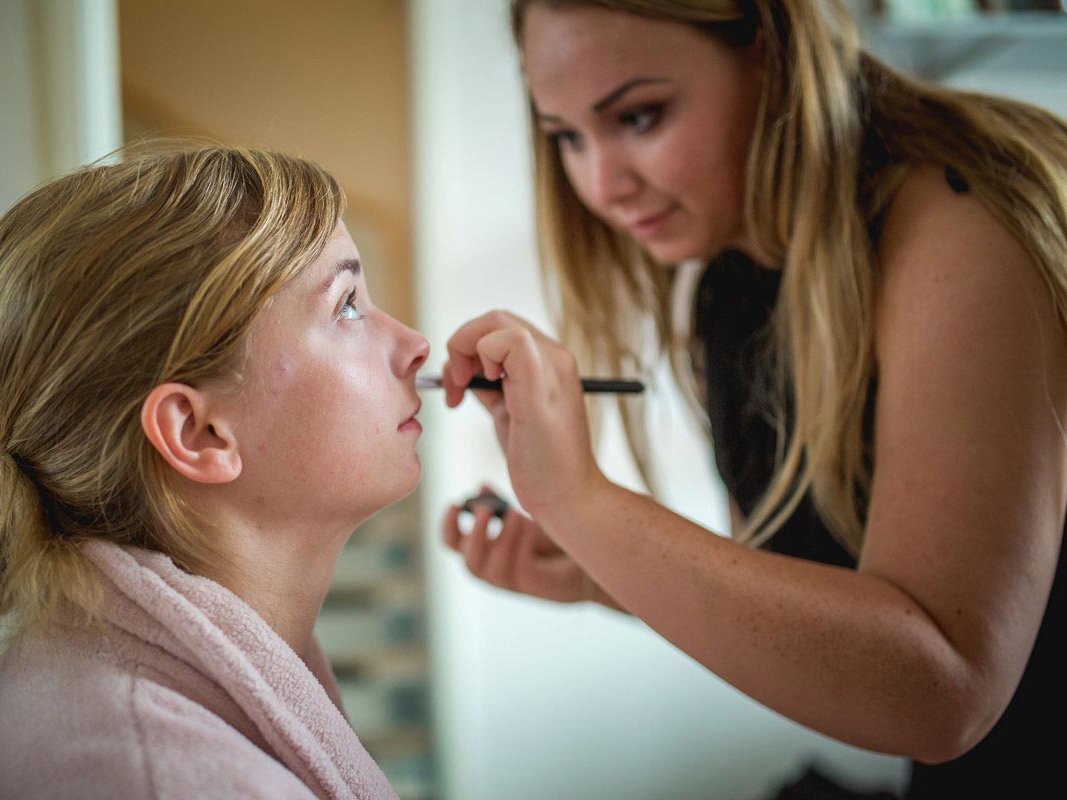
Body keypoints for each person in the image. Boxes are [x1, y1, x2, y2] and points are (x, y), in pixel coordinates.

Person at [439, 1, 1067, 797]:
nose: (601, 184)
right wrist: (601, 573)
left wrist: (583, 502)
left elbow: (942, 691)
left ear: (771, 55)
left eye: (638, 116)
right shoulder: (731, 293)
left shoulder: (961, 221)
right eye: (565, 135)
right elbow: (797, 595)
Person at [0, 144, 427, 799]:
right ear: (198, 433)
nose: (415, 346)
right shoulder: (164, 778)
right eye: (347, 304)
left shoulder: (103, 675)